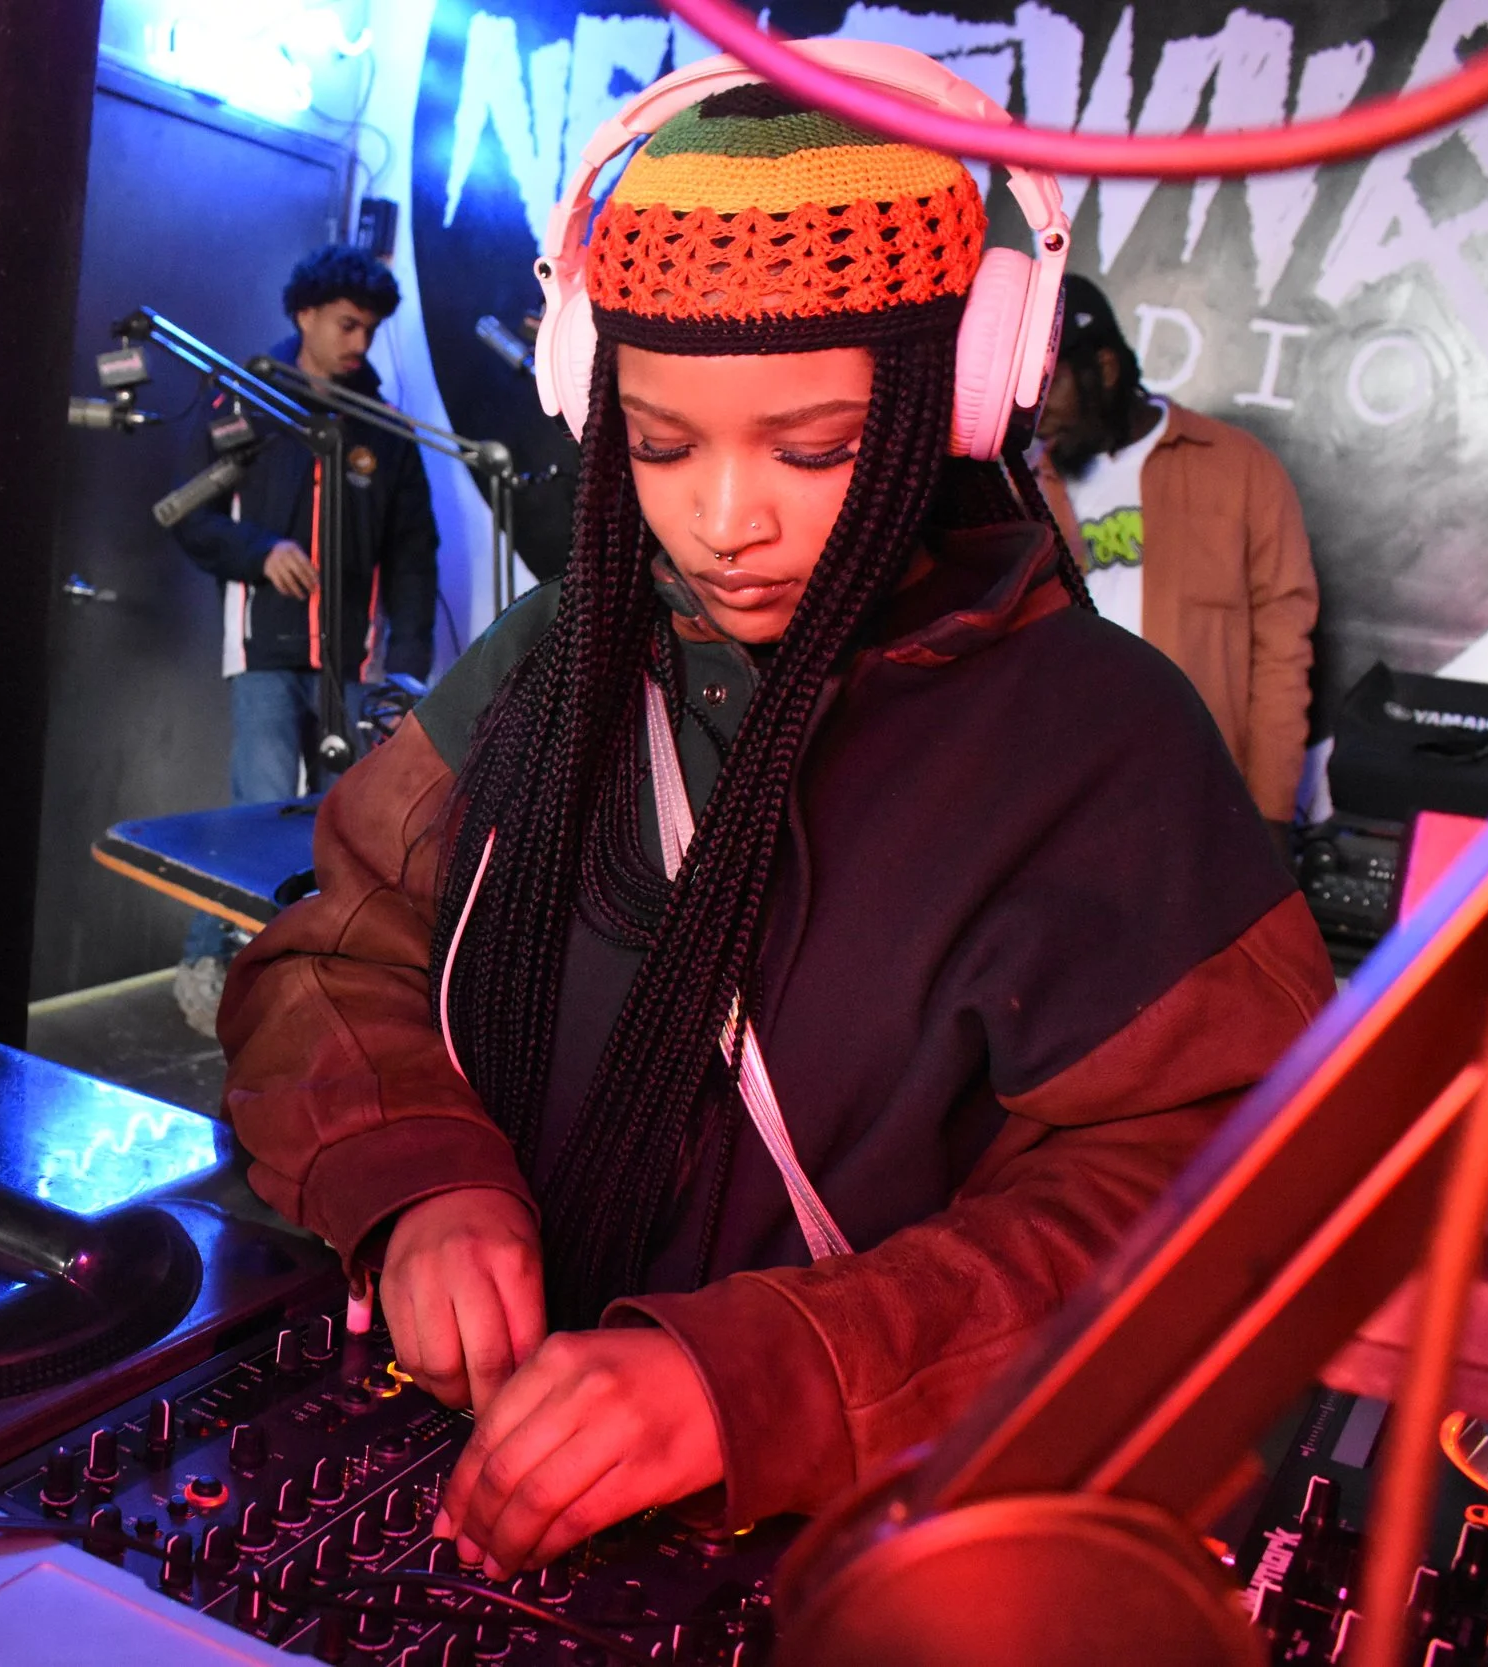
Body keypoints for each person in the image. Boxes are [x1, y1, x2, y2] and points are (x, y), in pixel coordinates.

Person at [218, 78, 1332, 1577]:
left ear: (959, 395)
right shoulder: (550, 662)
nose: (723, 519)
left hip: (872, 1554)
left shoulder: (1102, 741)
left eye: (810, 450)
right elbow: (327, 958)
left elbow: (1209, 1208)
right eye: (662, 446)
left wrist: (771, 1378)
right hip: (477, 1479)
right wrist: (413, 1170)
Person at [170, 245, 440, 1035]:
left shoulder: (385, 431)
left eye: (371, 328)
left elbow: (416, 555)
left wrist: (410, 674)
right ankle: (208, 966)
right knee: (256, 809)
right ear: (305, 316)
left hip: (354, 664)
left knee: (345, 821)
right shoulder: (247, 400)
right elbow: (192, 516)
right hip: (264, 648)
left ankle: (316, 983)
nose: (361, 340)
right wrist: (263, 553)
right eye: (348, 323)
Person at [1033, 275, 1320, 842]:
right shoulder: (1028, 487)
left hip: (1199, 795)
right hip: (1064, 802)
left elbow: (1283, 649)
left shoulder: (1239, 468)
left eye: (1051, 382)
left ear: (1106, 370)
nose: (1035, 407)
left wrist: (1272, 811)